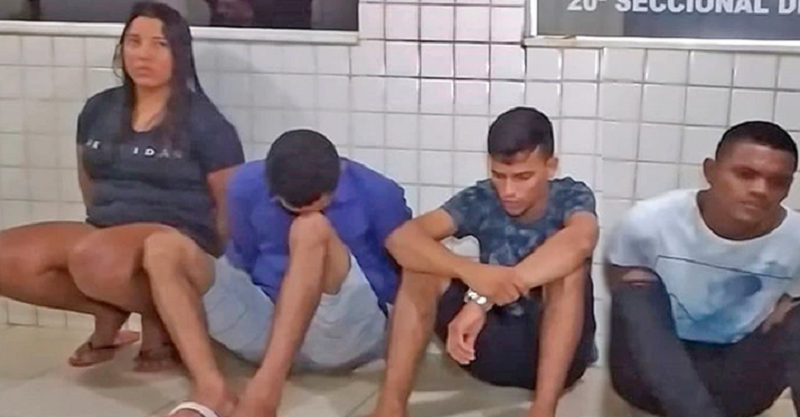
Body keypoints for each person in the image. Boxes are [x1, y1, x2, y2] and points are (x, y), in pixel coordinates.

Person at [0, 1, 244, 373]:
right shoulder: (98, 109)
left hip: (175, 241)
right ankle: (109, 311)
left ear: (180, 54)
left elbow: (228, 204)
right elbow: (89, 179)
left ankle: (163, 319)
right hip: (105, 232)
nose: (143, 55)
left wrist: (203, 264)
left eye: (160, 44)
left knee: (95, 258)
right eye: (134, 42)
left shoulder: (206, 122)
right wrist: (104, 231)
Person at [141, 129, 415, 417]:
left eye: (317, 202)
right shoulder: (245, 185)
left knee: (310, 228)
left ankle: (265, 392)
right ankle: (211, 390)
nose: (302, 208)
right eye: (290, 206)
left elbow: (403, 278)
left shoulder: (378, 192)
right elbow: (244, 258)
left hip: (344, 333)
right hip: (269, 323)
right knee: (162, 248)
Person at [369, 107, 599, 417]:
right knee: (420, 268)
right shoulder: (482, 198)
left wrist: (482, 298)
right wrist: (470, 272)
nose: (508, 191)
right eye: (499, 176)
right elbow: (401, 240)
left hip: (561, 358)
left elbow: (580, 240)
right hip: (487, 348)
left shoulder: (571, 195)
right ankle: (390, 409)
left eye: (523, 177)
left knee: (569, 270)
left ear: (550, 167)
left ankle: (543, 410)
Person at [604, 121, 800, 417]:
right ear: (710, 171)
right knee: (634, 292)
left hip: (735, 381)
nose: (760, 190)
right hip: (648, 377)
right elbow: (628, 312)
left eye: (777, 182)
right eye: (745, 174)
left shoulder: (795, 237)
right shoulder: (649, 223)